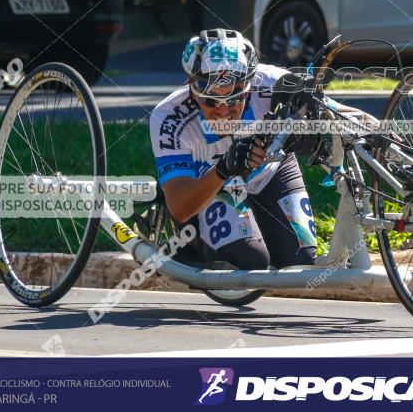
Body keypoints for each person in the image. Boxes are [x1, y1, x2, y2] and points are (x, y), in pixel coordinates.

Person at [147, 28, 372, 269]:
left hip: (271, 171)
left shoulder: (274, 83)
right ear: (192, 88)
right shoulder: (168, 117)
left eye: (234, 98)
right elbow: (180, 207)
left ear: (250, 85)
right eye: (211, 100)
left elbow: (341, 114)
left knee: (300, 261)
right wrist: (223, 169)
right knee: (252, 261)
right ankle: (186, 245)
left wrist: (391, 135)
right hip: (214, 180)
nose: (223, 110)